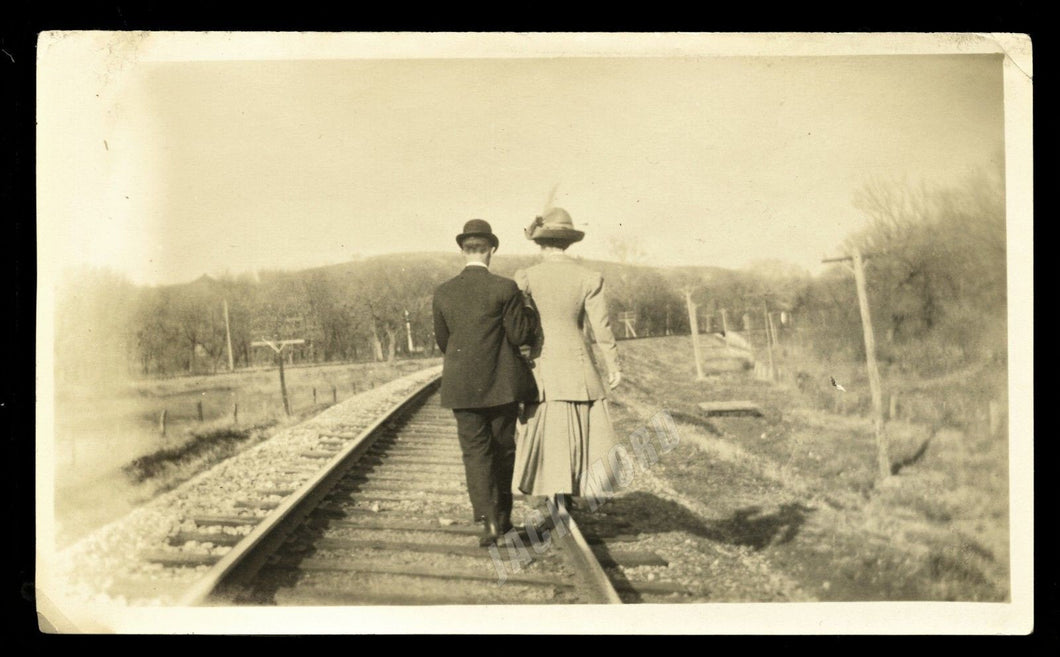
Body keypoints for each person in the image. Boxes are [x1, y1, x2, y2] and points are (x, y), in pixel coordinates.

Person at [432, 219, 539, 547]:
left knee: (475, 454)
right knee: (503, 451)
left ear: (463, 250)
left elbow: (443, 342)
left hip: (462, 388)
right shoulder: (506, 288)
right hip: (501, 387)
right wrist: (530, 311)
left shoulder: (443, 291)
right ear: (491, 250)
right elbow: (519, 335)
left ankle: (489, 521)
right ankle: (504, 517)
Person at [512, 207, 622, 512]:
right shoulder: (589, 278)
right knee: (578, 423)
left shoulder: (526, 277)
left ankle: (546, 487)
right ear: (568, 243)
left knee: (545, 422)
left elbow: (519, 326)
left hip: (541, 363)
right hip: (577, 363)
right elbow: (602, 328)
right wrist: (613, 364)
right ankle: (573, 487)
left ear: (540, 243)